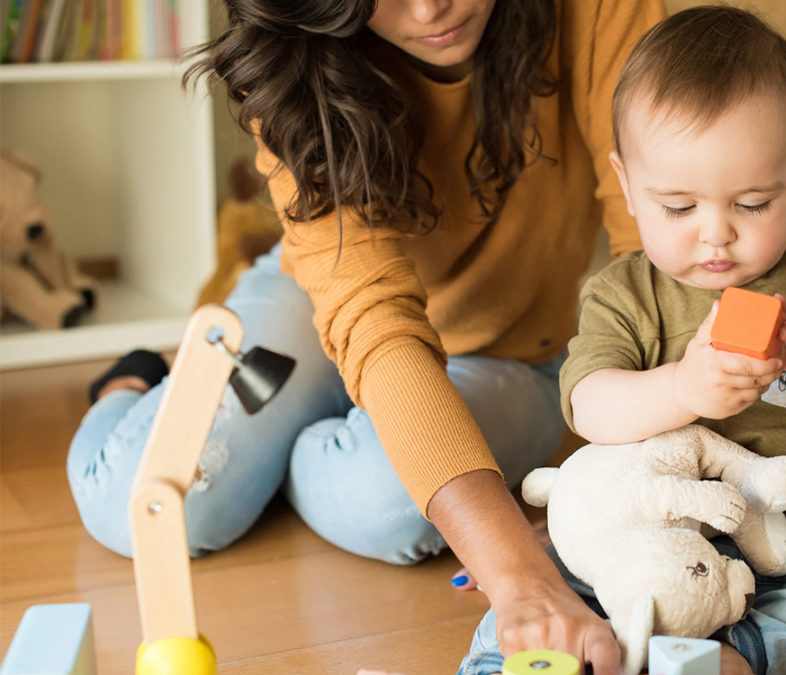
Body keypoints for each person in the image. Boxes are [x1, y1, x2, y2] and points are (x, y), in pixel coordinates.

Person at [66, 0, 665, 672]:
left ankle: (294, 441)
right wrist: (522, 579)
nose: (431, 7)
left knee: (388, 506)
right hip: (323, 302)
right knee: (140, 506)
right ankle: (133, 379)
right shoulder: (292, 48)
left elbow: (654, 243)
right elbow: (372, 317)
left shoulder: (601, 11)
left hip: (509, 347)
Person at [459, 6, 786, 674]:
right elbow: (589, 404)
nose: (716, 234)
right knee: (545, 580)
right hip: (655, 532)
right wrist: (683, 387)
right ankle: (524, 660)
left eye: (752, 204)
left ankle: (736, 652)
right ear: (628, 185)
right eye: (680, 207)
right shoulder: (622, 294)